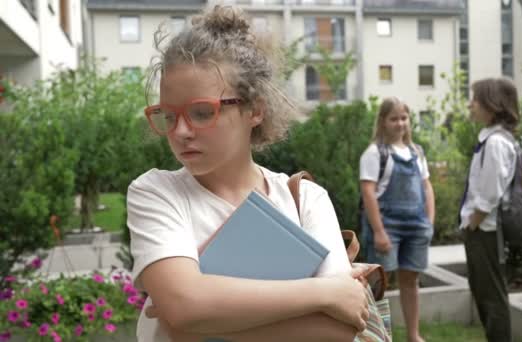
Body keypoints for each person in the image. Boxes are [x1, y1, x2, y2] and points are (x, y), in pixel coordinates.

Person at [127, 5, 371, 342]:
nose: (181, 131)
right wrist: (323, 293)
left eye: (201, 113)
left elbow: (340, 330)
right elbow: (185, 306)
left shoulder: (306, 201)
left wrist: (196, 325)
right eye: (169, 116)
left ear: (254, 110)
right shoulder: (156, 192)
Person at [359, 97, 435, 342]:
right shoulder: (375, 153)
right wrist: (379, 231)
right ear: (383, 121)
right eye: (394, 118)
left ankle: (413, 335)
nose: (400, 123)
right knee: (380, 283)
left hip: (416, 227)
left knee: (411, 280)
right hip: (387, 225)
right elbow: (368, 192)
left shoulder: (416, 152)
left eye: (404, 118)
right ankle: (374, 335)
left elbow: (427, 187)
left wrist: (429, 222)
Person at [460, 78, 519, 342]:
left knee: (492, 298)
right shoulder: (492, 139)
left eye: (475, 99)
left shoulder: (496, 143)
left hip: (485, 229)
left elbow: (490, 192)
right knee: (485, 295)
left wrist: (474, 222)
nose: (470, 104)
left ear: (492, 105)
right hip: (481, 228)